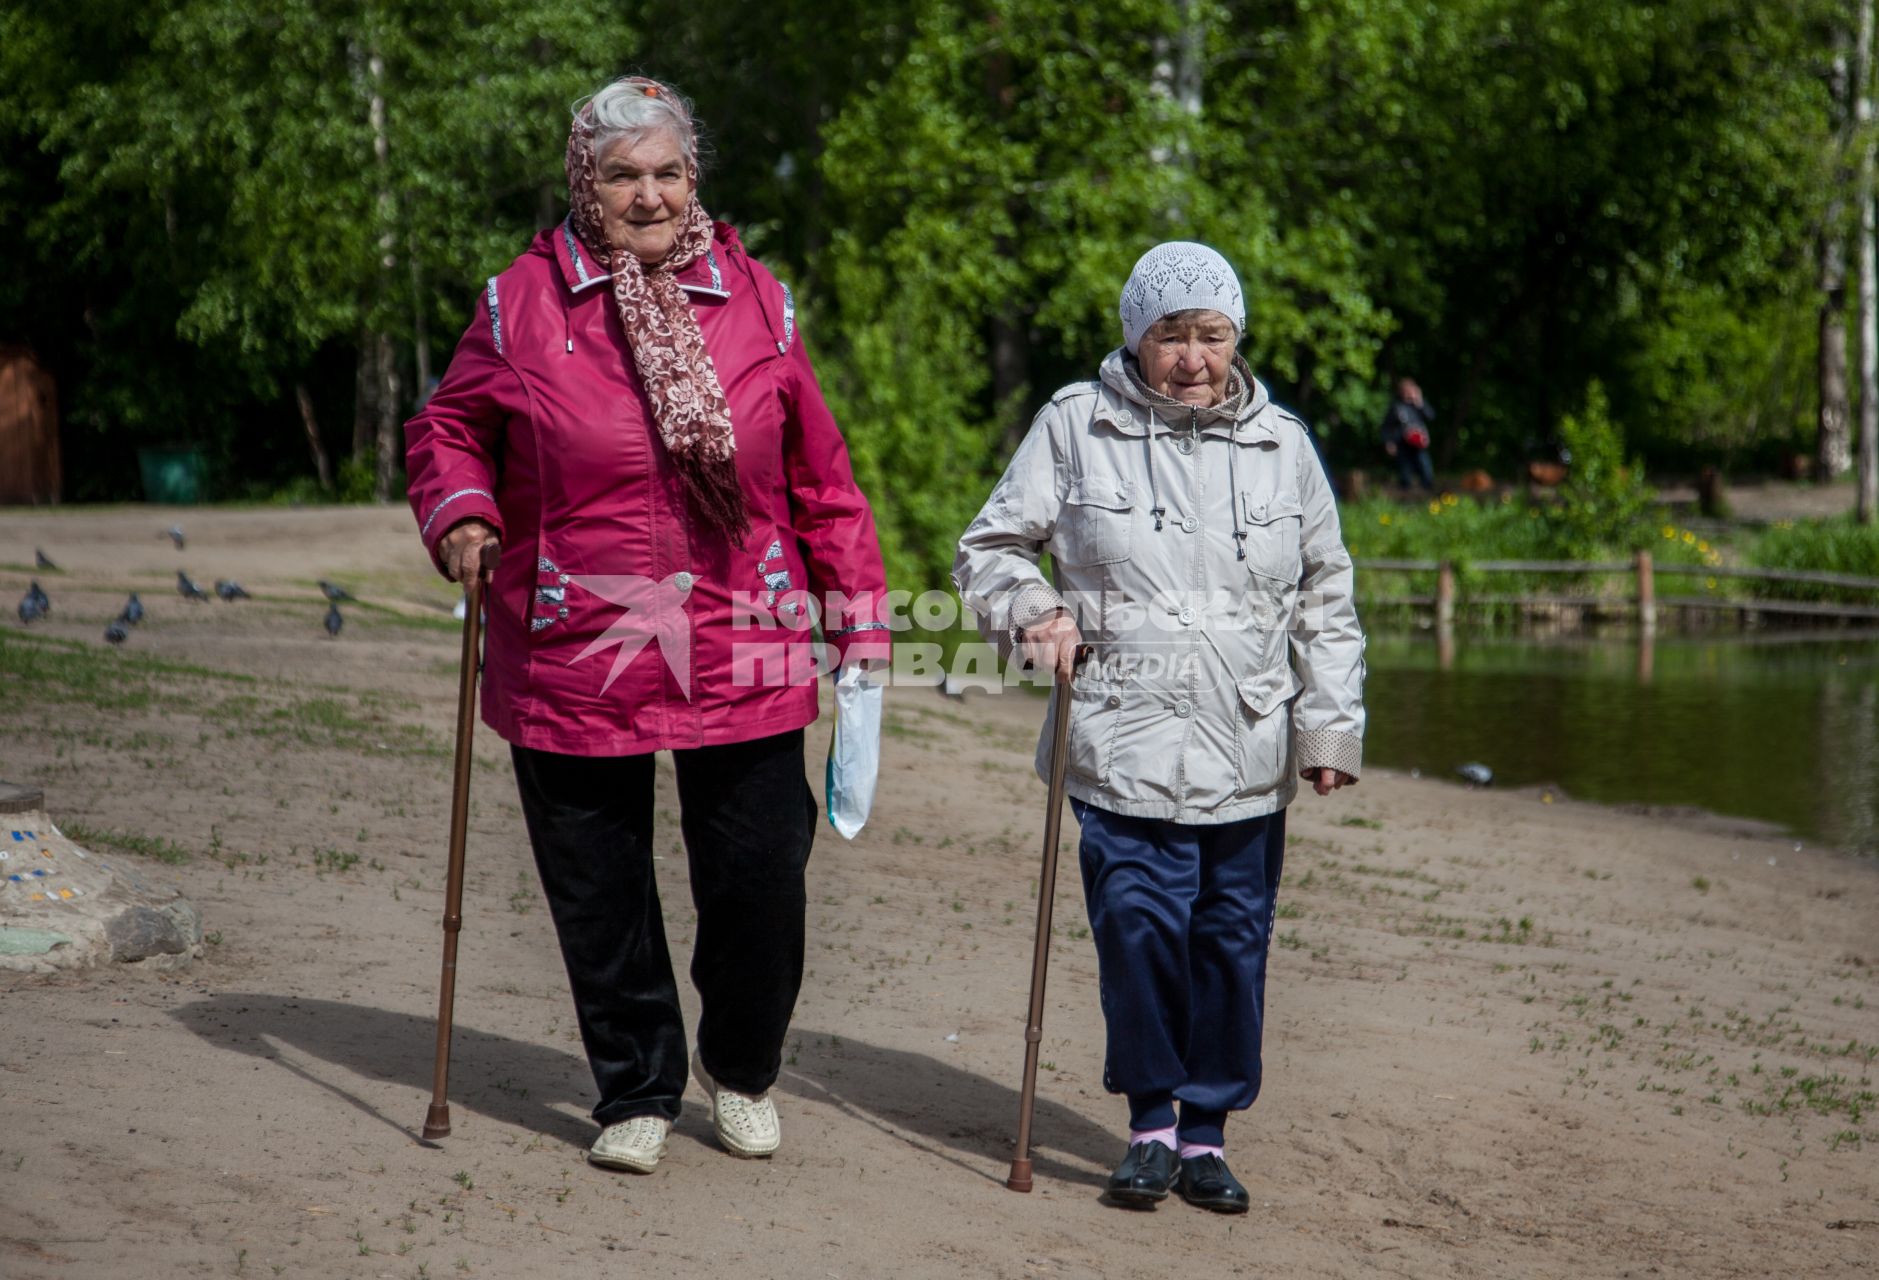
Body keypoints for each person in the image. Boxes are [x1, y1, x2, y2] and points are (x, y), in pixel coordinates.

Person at [404, 76, 888, 1175]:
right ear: (585, 181)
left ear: (693, 178)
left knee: (763, 872)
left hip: (743, 625)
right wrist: (465, 512)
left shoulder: (757, 297)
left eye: (667, 171)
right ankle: (637, 1083)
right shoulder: (519, 303)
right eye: (623, 174)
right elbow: (447, 428)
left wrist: (858, 620)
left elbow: (822, 478)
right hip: (579, 632)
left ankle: (743, 1065)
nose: (649, 194)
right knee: (597, 880)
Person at [953, 242, 1365, 1214]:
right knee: (1137, 929)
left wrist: (1330, 731)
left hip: (1247, 747)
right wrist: (1034, 613)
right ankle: (1150, 1124)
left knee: (1230, 941)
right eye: (1170, 336)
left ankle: (1208, 1134)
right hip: (1118, 741)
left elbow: (1327, 599)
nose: (1190, 357)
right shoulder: (1074, 424)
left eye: (1210, 335)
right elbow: (990, 547)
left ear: (1237, 338)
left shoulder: (1283, 445)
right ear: (1135, 339)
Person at [1379, 376, 1435, 491]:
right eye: (1405, 391)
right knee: (1405, 472)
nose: (1408, 393)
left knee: (1425, 468)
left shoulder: (1418, 405)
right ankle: (1406, 495)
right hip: (1402, 444)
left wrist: (1419, 402)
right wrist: (1389, 442)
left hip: (1418, 445)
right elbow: (1386, 427)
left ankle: (1427, 491)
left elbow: (1430, 417)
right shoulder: (1396, 407)